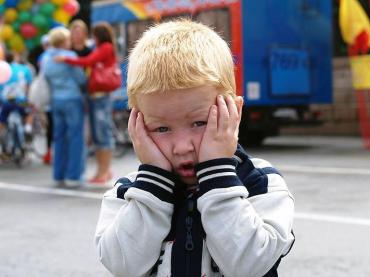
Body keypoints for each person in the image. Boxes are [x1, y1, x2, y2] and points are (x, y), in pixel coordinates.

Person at [94, 20, 295, 277]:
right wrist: (154, 182)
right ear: (137, 124)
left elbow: (250, 265)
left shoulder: (261, 182)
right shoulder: (128, 192)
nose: (181, 147)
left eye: (199, 123)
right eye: (161, 128)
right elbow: (123, 265)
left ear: (233, 112)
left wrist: (217, 173)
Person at [55, 22, 116, 184]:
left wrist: (66, 59)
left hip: (100, 96)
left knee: (102, 134)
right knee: (97, 135)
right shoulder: (102, 47)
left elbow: (88, 61)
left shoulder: (105, 47)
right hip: (94, 96)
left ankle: (104, 171)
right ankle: (101, 171)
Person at [41, 27, 86, 187]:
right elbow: (80, 78)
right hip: (72, 98)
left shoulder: (46, 58)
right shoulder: (70, 56)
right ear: (63, 41)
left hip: (55, 100)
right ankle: (73, 175)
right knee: (75, 137)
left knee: (58, 137)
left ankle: (58, 174)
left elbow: (46, 78)